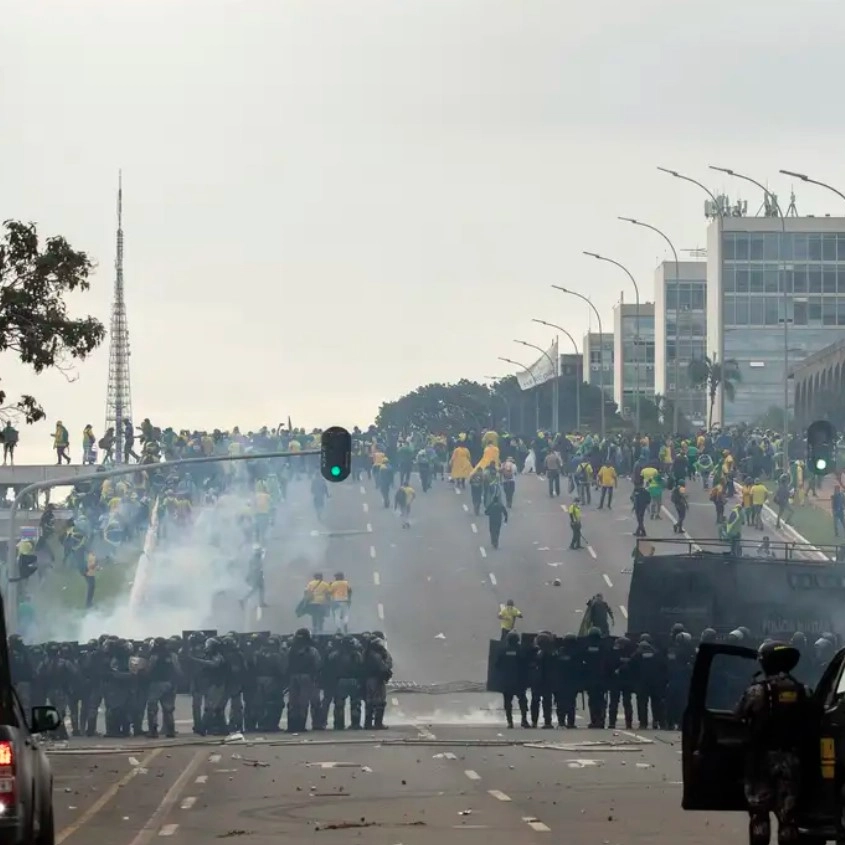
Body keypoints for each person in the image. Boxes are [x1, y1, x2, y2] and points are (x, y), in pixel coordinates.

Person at [735, 641, 811, 845]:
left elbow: (739, 716)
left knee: (759, 816)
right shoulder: (804, 690)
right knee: (788, 818)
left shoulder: (757, 691)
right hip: (791, 760)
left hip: (760, 761)